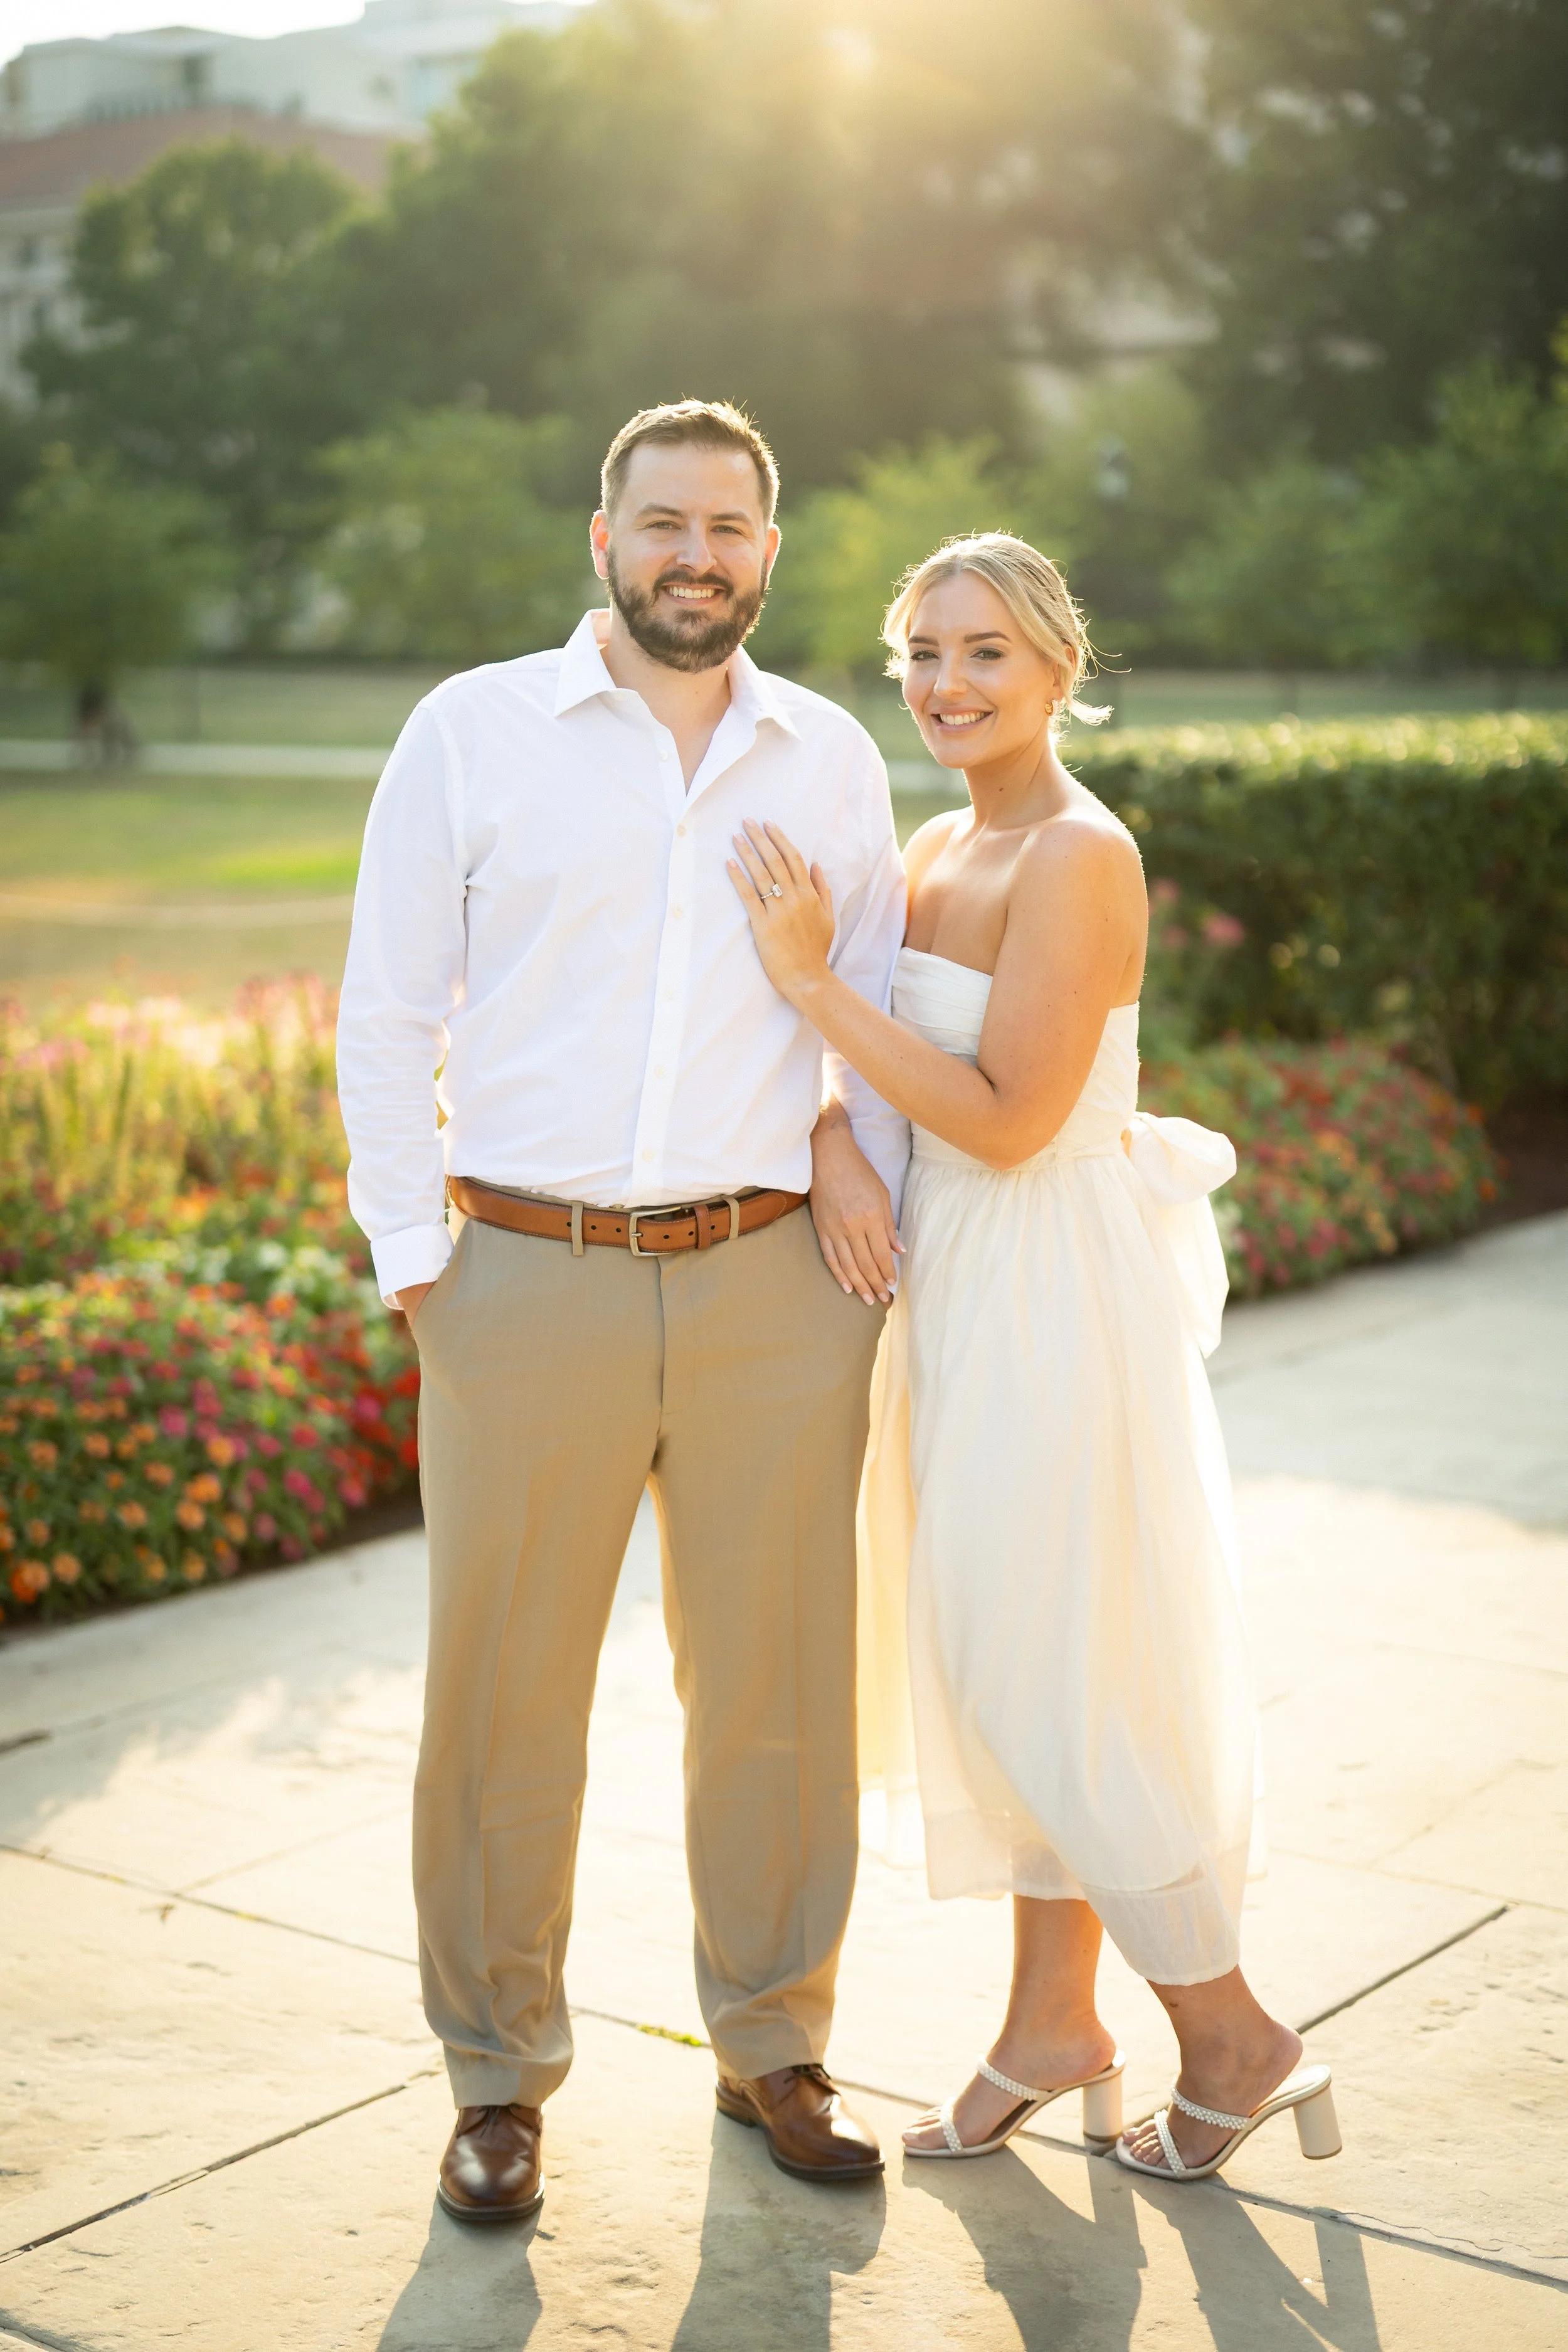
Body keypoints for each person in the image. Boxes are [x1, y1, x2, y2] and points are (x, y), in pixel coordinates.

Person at [336, 401, 911, 2223]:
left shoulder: (824, 756)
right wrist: (416, 1255)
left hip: (766, 1287)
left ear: (767, 549)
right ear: (605, 539)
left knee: (779, 1691)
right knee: (503, 1696)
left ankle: (774, 2040)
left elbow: (871, 1006)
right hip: (521, 1278)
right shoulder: (472, 729)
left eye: (730, 527)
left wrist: (845, 1159)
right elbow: (382, 1010)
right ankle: (497, 2077)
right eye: (663, 522)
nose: (697, 554)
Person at [726, 532, 1343, 2185]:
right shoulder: (936, 840)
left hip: (1048, 1284)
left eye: (983, 649)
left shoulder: (1078, 852)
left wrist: (805, 990)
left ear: (1059, 663)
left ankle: (1231, 2032)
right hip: (953, 1284)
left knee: (1045, 1669)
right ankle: (1049, 2023)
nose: (944, 682)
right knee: (1010, 1658)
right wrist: (834, 1137)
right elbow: (893, 1092)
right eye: (919, 651)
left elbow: (1002, 1121)